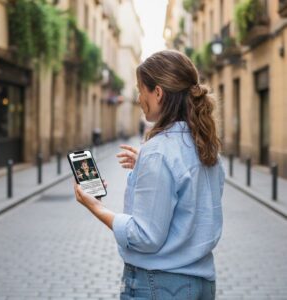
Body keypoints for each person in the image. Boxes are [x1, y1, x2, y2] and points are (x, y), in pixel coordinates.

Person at [74, 50, 225, 300]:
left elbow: (145, 237)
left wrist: (95, 207)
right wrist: (147, 166)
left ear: (158, 93)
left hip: (160, 285)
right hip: (201, 284)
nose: (138, 97)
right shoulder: (205, 144)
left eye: (140, 88)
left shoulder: (159, 151)